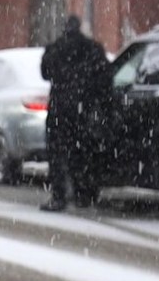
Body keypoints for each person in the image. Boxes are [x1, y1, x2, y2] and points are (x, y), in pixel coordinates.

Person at [39, 14, 111, 210]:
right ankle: (84, 195)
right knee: (82, 153)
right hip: (83, 110)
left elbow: (44, 73)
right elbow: (105, 79)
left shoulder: (55, 49)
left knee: (57, 155)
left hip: (59, 109)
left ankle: (59, 196)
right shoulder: (93, 49)